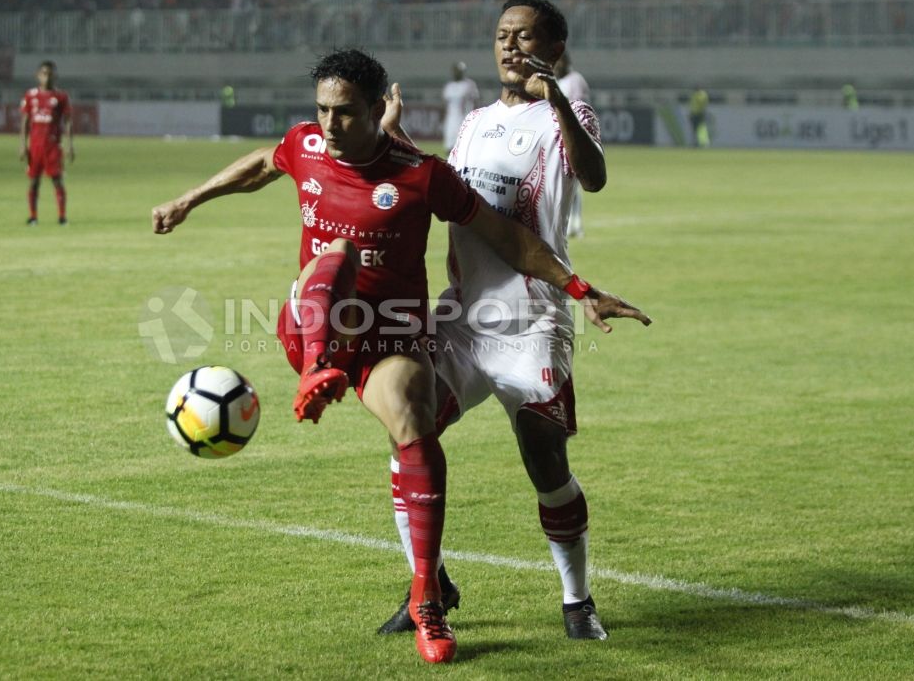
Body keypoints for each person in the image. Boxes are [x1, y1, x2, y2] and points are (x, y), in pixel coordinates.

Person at [151, 48, 646, 664]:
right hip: (314, 323)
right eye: (323, 111)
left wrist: (580, 289)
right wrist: (189, 200)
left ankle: (428, 600)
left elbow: (507, 237)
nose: (330, 125)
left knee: (416, 434)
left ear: (377, 106)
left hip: (389, 336)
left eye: (346, 113)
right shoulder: (305, 146)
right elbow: (261, 164)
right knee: (337, 258)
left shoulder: (420, 174)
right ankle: (317, 370)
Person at [378, 0, 650, 642]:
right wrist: (398, 145)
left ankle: (577, 600)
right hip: (463, 319)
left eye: (523, 36)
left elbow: (596, 174)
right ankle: (430, 586)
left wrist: (556, 97)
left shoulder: (563, 111)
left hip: (531, 323)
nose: (509, 46)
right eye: (502, 35)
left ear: (553, 49)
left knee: (545, 464)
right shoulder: (472, 121)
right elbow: (450, 191)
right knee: (406, 428)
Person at [20, 60, 74, 225]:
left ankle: (62, 217)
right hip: (35, 146)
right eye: (44, 73)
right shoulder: (30, 95)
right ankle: (33, 217)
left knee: (57, 180)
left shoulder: (61, 97)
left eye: (50, 74)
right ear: (38, 76)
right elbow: (25, 121)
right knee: (34, 181)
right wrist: (23, 145)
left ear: (55, 76)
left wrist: (70, 144)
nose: (47, 77)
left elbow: (67, 121)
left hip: (53, 146)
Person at [554, 52, 589, 237]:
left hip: (572, 137)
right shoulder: (558, 81)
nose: (556, 66)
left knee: (571, 182)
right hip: (558, 137)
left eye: (558, 63)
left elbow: (577, 109)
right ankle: (570, 223)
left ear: (567, 62)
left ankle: (574, 224)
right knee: (565, 182)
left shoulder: (574, 80)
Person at [441, 62, 479, 154]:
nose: (457, 73)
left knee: (463, 147)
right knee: (449, 148)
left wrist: (475, 118)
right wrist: (442, 119)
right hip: (450, 121)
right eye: (455, 71)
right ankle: (450, 166)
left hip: (464, 119)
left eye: (459, 71)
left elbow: (475, 102)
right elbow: (444, 104)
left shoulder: (469, 85)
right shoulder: (449, 86)